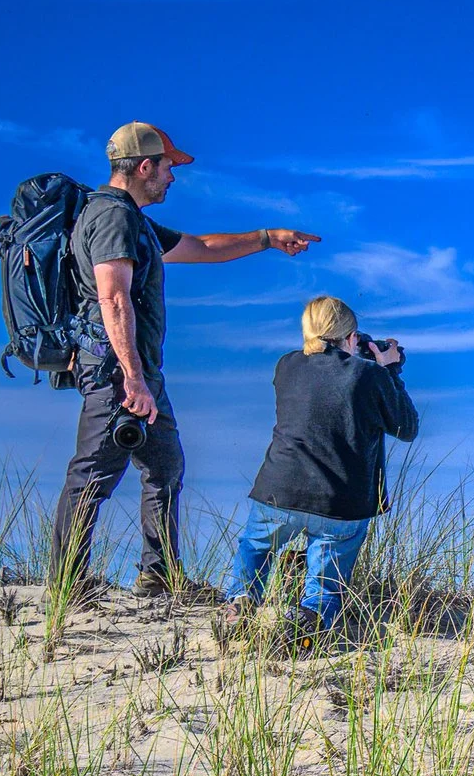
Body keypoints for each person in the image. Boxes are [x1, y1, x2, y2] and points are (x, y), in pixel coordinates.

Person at [50, 122, 321, 601]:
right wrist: (132, 377)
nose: (173, 177)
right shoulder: (111, 217)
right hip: (118, 371)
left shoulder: (134, 221)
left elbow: (202, 247)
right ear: (144, 166)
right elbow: (113, 299)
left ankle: (160, 577)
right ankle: (66, 586)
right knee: (93, 472)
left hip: (138, 372)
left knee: (165, 464)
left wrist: (266, 237)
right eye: (169, 167)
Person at [220, 295, 421, 639]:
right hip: (341, 502)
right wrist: (389, 370)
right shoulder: (370, 375)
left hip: (278, 489)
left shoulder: (286, 366)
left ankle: (238, 605)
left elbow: (325, 383)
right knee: (326, 582)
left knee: (256, 548)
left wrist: (360, 356)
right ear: (350, 336)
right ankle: (307, 624)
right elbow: (406, 427)